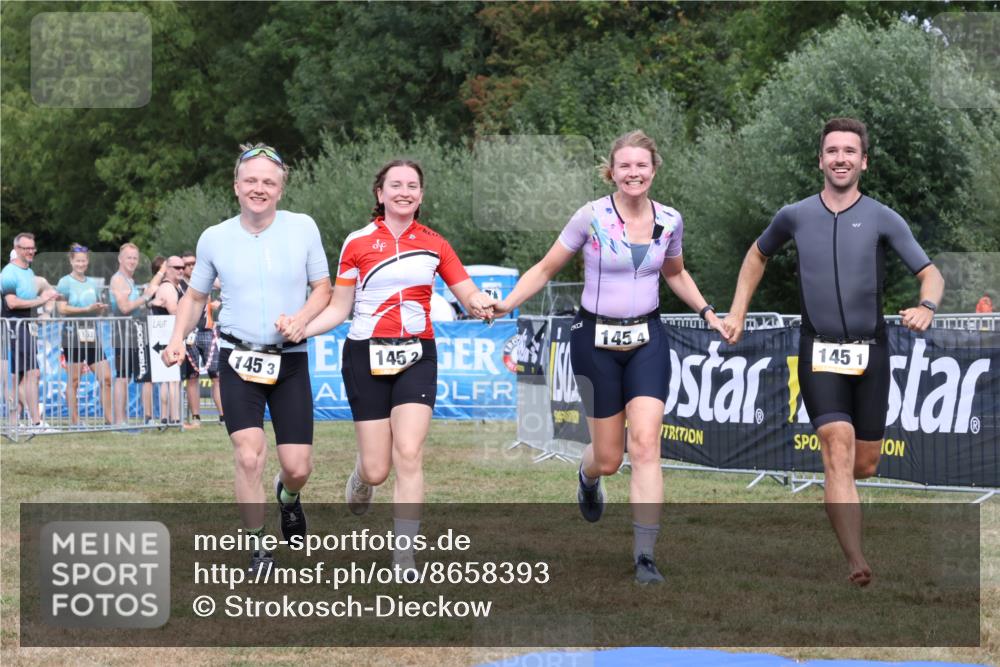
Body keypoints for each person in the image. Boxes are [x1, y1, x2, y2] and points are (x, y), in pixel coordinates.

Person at [489, 131, 725, 584]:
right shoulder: (591, 217)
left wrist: (708, 311)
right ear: (612, 171)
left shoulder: (670, 220)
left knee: (646, 445)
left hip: (648, 339)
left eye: (642, 166)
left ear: (654, 170)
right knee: (610, 456)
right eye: (625, 166)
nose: (634, 173)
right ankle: (588, 474)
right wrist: (507, 303)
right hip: (594, 338)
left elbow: (675, 273)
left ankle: (645, 556)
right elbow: (544, 268)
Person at [721, 117, 944, 587]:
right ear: (820, 159)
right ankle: (856, 559)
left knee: (864, 463)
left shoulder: (884, 217)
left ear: (864, 161)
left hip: (871, 353)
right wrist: (738, 311)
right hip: (817, 351)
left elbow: (931, 273)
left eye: (849, 151)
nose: (840, 158)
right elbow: (757, 255)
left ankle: (842, 495)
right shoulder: (795, 216)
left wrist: (926, 305)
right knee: (835, 448)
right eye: (832, 151)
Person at [297, 158, 493, 577]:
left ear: (421, 195)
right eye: (396, 185)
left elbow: (467, 291)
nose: (404, 191)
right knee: (377, 468)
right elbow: (339, 308)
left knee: (409, 453)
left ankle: (404, 556)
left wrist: (480, 304)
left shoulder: (435, 243)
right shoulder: (357, 242)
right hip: (365, 354)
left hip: (417, 354)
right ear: (380, 193)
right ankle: (362, 476)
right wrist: (302, 329)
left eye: (412, 186)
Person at [161, 143, 331, 573]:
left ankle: (288, 497)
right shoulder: (215, 237)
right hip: (238, 358)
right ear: (236, 186)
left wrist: (302, 318)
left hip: (290, 359)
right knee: (249, 454)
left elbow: (323, 289)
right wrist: (178, 336)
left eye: (268, 182)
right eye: (251, 180)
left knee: (297, 467)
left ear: (280, 190)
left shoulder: (303, 228)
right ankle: (259, 548)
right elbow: (197, 295)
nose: (259, 188)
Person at [1, 232, 60, 431]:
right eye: (26, 248)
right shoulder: (9, 273)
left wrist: (46, 306)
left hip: (26, 327)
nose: (30, 251)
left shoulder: (28, 272)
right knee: (31, 373)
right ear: (16, 249)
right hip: (15, 327)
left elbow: (38, 293)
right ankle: (35, 422)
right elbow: (12, 303)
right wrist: (42, 301)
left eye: (32, 248)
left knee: (22, 376)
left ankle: (14, 423)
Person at [55, 243, 113, 426]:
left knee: (106, 377)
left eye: (84, 261)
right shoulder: (65, 282)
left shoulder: (91, 283)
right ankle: (74, 421)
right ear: (71, 261)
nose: (81, 264)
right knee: (74, 380)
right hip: (72, 334)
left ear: (87, 261)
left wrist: (99, 309)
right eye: (77, 261)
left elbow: (95, 308)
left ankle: (110, 420)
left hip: (91, 334)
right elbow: (61, 308)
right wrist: (85, 308)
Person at [109, 243, 158, 426]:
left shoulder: (130, 280)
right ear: (120, 259)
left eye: (135, 258)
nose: (132, 261)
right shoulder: (118, 280)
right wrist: (146, 297)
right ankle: (120, 421)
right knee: (122, 376)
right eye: (128, 257)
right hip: (122, 333)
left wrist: (149, 303)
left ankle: (144, 418)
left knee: (139, 376)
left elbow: (136, 307)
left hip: (136, 332)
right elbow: (124, 307)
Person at [179, 249, 223, 427]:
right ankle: (196, 417)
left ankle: (223, 417)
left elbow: (227, 284)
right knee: (192, 377)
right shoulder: (180, 284)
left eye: (193, 263)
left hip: (207, 331)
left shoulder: (206, 279)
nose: (190, 267)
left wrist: (218, 302)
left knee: (217, 376)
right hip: (189, 333)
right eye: (186, 264)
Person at [150, 255, 187, 426]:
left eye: (182, 267)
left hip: (166, 336)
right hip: (167, 337)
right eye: (177, 267)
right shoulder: (168, 288)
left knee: (168, 379)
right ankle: (174, 418)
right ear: (168, 269)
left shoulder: (173, 286)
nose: (181, 270)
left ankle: (167, 417)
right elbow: (173, 310)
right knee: (171, 379)